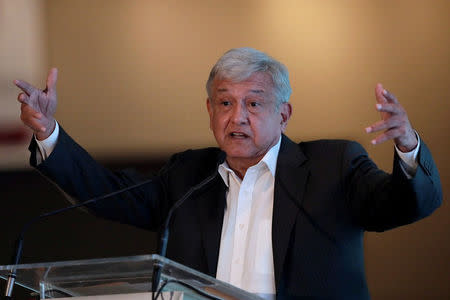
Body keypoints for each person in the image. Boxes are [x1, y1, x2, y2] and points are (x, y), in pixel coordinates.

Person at [14, 48, 442, 299]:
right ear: (210, 110)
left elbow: (401, 204)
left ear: (284, 113)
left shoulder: (334, 166)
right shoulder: (188, 175)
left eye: (253, 103)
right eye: (225, 103)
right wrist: (49, 133)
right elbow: (107, 194)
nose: (237, 117)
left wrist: (407, 145)